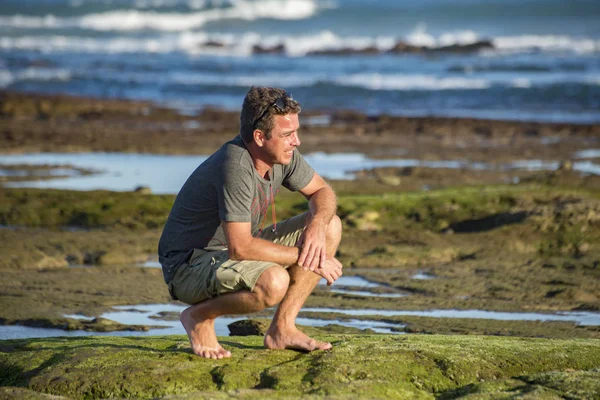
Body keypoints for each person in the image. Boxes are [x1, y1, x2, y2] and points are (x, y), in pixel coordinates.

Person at [158, 86, 343, 359]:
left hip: (229, 253)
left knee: (330, 225)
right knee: (274, 282)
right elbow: (241, 248)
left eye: (296, 132)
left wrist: (316, 225)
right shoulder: (235, 166)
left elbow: (322, 192)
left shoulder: (281, 155)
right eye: (287, 134)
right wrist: (311, 258)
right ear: (259, 137)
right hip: (188, 265)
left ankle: (282, 329)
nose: (297, 141)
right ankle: (198, 317)